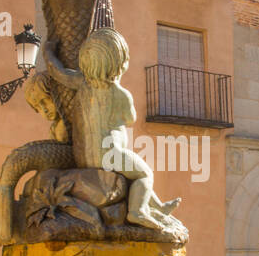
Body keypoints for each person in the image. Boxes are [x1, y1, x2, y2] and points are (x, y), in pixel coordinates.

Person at [42, 27, 180, 230]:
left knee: (133, 173)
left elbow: (58, 71)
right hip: (110, 155)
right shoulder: (120, 93)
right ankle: (137, 212)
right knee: (143, 174)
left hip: (85, 158)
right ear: (119, 62)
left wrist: (48, 51)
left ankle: (158, 206)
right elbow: (130, 118)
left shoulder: (80, 83)